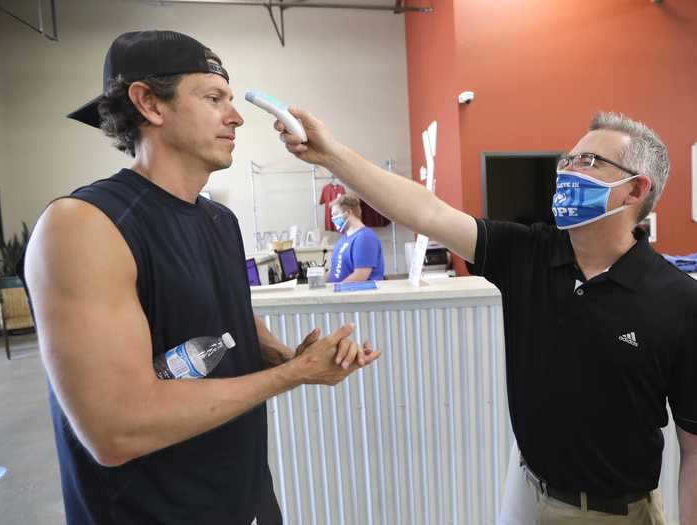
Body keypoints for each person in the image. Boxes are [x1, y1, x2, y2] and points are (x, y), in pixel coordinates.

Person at [21, 30, 380, 525]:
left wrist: (287, 354)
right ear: (149, 103)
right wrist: (291, 375)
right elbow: (114, 429)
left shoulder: (218, 221)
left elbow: (225, 320)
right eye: (213, 98)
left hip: (243, 495)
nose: (234, 116)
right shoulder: (84, 227)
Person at [274, 109, 697, 524]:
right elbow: (428, 212)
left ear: (635, 190)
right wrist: (331, 155)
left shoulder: (677, 300)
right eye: (568, 160)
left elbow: (693, 447)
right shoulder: (528, 253)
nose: (568, 171)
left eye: (589, 162)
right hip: (527, 491)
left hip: (613, 514)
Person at [328, 193, 385, 283]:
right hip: (341, 294)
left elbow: (361, 275)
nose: (333, 219)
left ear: (349, 212)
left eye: (335, 214)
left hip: (357, 295)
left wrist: (337, 290)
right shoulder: (343, 239)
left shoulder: (365, 238)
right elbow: (335, 272)